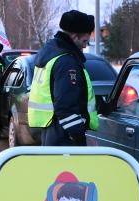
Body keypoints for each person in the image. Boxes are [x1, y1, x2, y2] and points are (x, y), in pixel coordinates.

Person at [28, 10, 99, 146]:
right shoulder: (66, 61)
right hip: (64, 135)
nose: (85, 45)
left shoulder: (51, 52)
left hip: (51, 129)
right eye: (85, 40)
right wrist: (79, 137)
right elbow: (65, 107)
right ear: (74, 36)